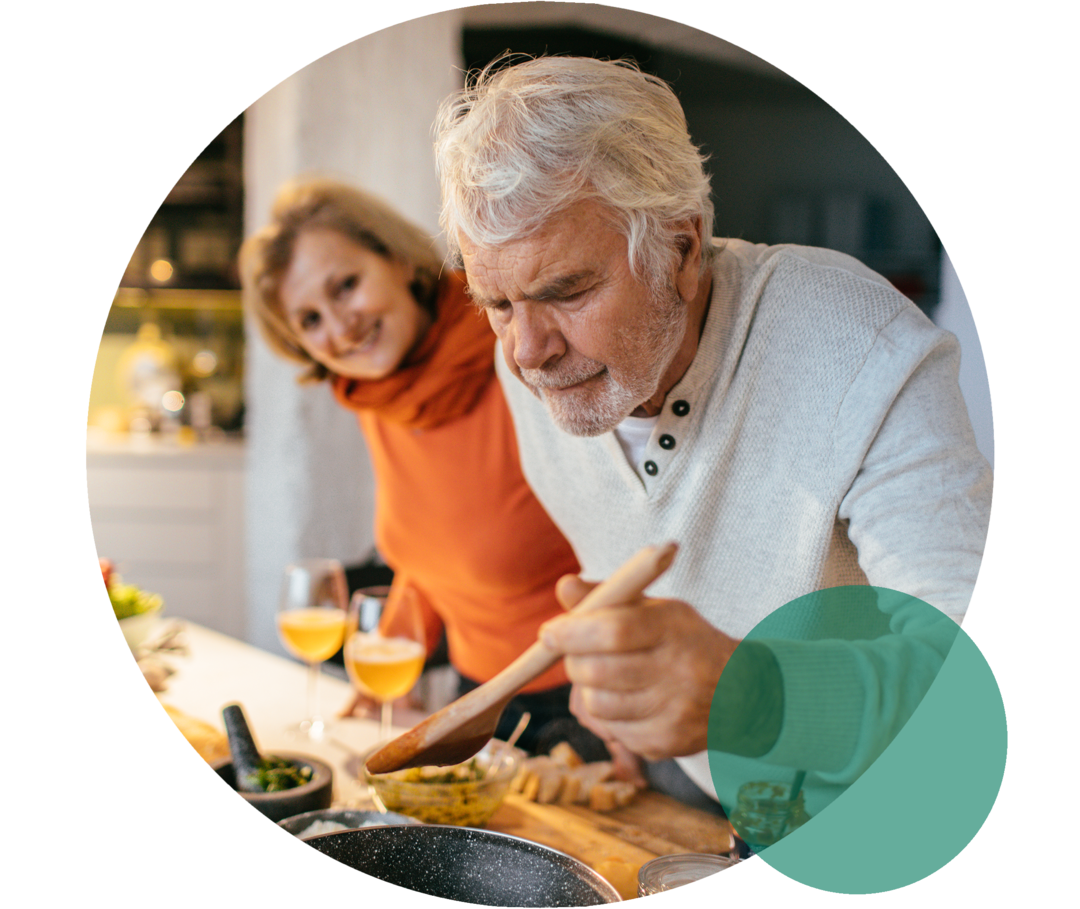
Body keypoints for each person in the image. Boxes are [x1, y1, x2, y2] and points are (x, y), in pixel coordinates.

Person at [432, 56, 993, 819]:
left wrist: (755, 696)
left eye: (567, 290)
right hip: (689, 792)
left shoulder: (860, 346)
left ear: (683, 250)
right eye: (495, 300)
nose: (526, 349)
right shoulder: (540, 364)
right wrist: (637, 700)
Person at [239, 177, 605, 758]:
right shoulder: (379, 396)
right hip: (476, 699)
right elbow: (431, 552)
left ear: (400, 262)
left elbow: (630, 537)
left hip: (590, 709)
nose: (339, 329)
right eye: (309, 320)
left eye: (346, 286)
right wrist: (384, 668)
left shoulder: (521, 351)